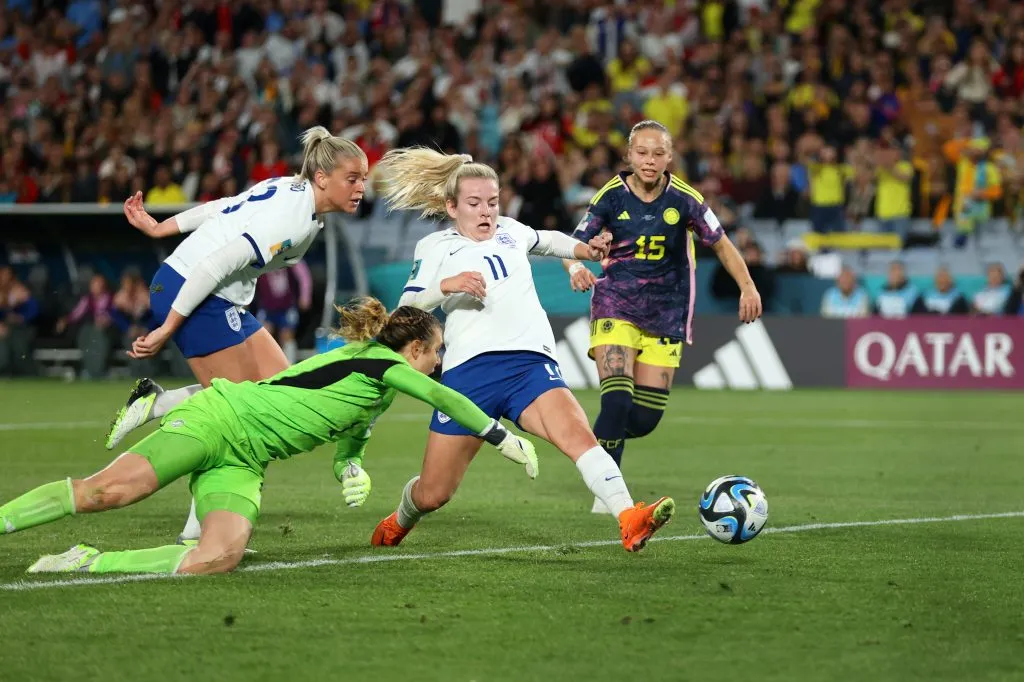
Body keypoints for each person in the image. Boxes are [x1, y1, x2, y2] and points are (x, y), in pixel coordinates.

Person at [1, 299, 538, 575]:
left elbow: (352, 439)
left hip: (245, 459)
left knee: (217, 557)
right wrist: (498, 434)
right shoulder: (379, 361)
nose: (439, 361)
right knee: (108, 492)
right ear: (416, 348)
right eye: (437, 350)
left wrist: (350, 467)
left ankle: (87, 561)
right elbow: (444, 398)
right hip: (219, 419)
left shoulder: (379, 385)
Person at [370, 147, 676, 554]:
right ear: (452, 207)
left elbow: (549, 241)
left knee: (579, 437)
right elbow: (406, 307)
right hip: (468, 376)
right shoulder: (436, 246)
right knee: (434, 493)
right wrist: (448, 285)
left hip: (530, 364)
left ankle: (628, 516)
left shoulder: (511, 230)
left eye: (493, 202)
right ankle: (401, 518)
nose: (486, 212)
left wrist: (586, 250)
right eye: (474, 204)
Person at [104, 126, 368, 545]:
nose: (361, 188)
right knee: (240, 417)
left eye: (363, 179)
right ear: (322, 178)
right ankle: (196, 533)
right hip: (194, 290)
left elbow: (225, 206)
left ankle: (159, 402)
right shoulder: (291, 218)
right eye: (352, 179)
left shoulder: (295, 193)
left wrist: (161, 228)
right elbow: (213, 265)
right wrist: (168, 327)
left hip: (219, 297)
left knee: (281, 389)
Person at [561, 120, 762, 513]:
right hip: (616, 304)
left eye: (657, 153)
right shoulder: (610, 196)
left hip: (667, 313)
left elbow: (721, 244)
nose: (649, 160)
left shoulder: (686, 199)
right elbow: (573, 244)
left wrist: (748, 286)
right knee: (616, 401)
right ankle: (609, 493)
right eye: (641, 152)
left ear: (669, 158)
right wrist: (577, 267)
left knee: (644, 419)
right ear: (629, 155)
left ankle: (591, 443)